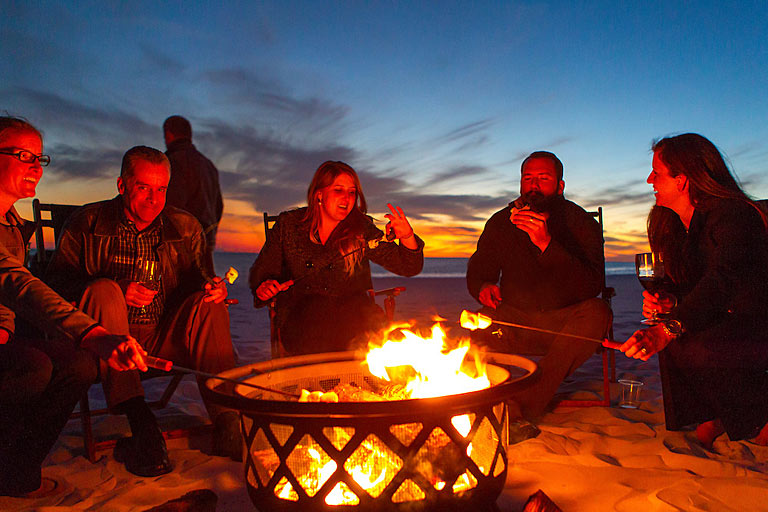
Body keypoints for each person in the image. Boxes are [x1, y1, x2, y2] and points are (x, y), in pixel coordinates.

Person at [45, 145, 239, 477]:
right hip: (102, 341)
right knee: (104, 290)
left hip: (163, 335)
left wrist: (213, 287)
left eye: (161, 189)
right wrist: (117, 289)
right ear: (122, 186)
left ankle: (226, 419)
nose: (153, 199)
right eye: (143, 188)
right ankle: (140, 418)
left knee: (210, 305)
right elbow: (53, 287)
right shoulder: (87, 224)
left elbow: (199, 279)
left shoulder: (184, 226)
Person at [0, 116, 145, 498]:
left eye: (39, 158)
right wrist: (94, 332)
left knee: (77, 364)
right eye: (23, 155)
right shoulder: (86, 223)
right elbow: (16, 282)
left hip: (7, 337)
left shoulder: (12, 224)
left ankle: (17, 469)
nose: (36, 166)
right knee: (34, 367)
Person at [605, 133, 768, 449]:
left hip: (755, 316)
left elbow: (726, 278)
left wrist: (670, 327)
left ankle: (756, 416)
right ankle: (715, 412)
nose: (649, 179)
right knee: (670, 327)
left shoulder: (734, 215)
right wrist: (668, 300)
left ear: (682, 180)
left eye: (657, 172)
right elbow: (687, 282)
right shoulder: (670, 223)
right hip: (722, 311)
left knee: (682, 334)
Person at [466, 151, 611, 440]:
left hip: (565, 324)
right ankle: (507, 407)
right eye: (528, 178)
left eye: (543, 179)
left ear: (560, 185)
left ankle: (515, 407)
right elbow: (479, 269)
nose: (534, 185)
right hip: (515, 320)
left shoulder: (580, 222)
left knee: (598, 313)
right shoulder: (500, 223)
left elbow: (591, 284)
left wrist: (546, 244)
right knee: (476, 325)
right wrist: (483, 286)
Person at [249, 160, 424, 355]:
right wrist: (265, 287)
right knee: (317, 316)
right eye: (338, 190)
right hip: (302, 319)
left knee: (362, 330)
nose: (347, 198)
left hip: (354, 317)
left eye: (352, 192)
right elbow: (262, 272)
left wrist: (407, 236)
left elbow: (409, 267)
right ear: (319, 194)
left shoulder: (360, 229)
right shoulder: (289, 226)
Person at [163, 115, 223, 274]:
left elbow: (170, 207)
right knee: (206, 293)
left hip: (179, 249)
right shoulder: (208, 165)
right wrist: (208, 236)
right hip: (205, 245)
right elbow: (218, 207)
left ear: (168, 135)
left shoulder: (172, 162)